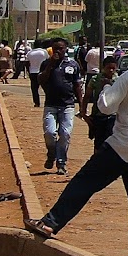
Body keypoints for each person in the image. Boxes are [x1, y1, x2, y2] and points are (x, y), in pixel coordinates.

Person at [25, 37, 128, 256]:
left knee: (85, 181)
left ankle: (50, 223)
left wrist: (107, 88)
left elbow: (105, 106)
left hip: (124, 144)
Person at [38, 38, 83, 175]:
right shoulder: (46, 63)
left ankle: (61, 162)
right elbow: (41, 80)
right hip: (51, 105)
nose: (58, 51)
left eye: (61, 48)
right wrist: (50, 65)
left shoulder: (73, 65)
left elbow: (77, 86)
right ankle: (52, 153)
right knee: (50, 133)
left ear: (66, 49)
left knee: (65, 134)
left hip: (67, 105)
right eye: (55, 48)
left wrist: (81, 106)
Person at [80, 56, 119, 152]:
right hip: (98, 114)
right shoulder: (95, 79)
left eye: (113, 68)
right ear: (103, 67)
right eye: (108, 68)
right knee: (98, 141)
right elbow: (87, 96)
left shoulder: (119, 80)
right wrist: (83, 112)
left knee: (111, 140)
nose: (110, 70)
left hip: (114, 115)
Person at [26, 39, 50, 107]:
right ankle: (48, 102)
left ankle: (37, 103)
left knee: (34, 89)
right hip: (43, 72)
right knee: (46, 88)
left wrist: (29, 71)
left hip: (33, 72)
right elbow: (48, 61)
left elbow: (27, 63)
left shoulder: (30, 53)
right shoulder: (44, 52)